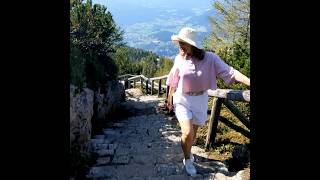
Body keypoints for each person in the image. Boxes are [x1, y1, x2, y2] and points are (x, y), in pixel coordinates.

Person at [166, 27, 250, 176]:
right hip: (182, 98)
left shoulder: (210, 58)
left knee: (193, 135)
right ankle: (188, 160)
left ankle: (189, 151)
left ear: (192, 44)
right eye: (179, 42)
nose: (179, 45)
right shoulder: (179, 58)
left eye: (182, 43)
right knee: (186, 132)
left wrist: (249, 82)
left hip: (200, 99)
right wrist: (169, 99)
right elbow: (173, 80)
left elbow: (231, 72)